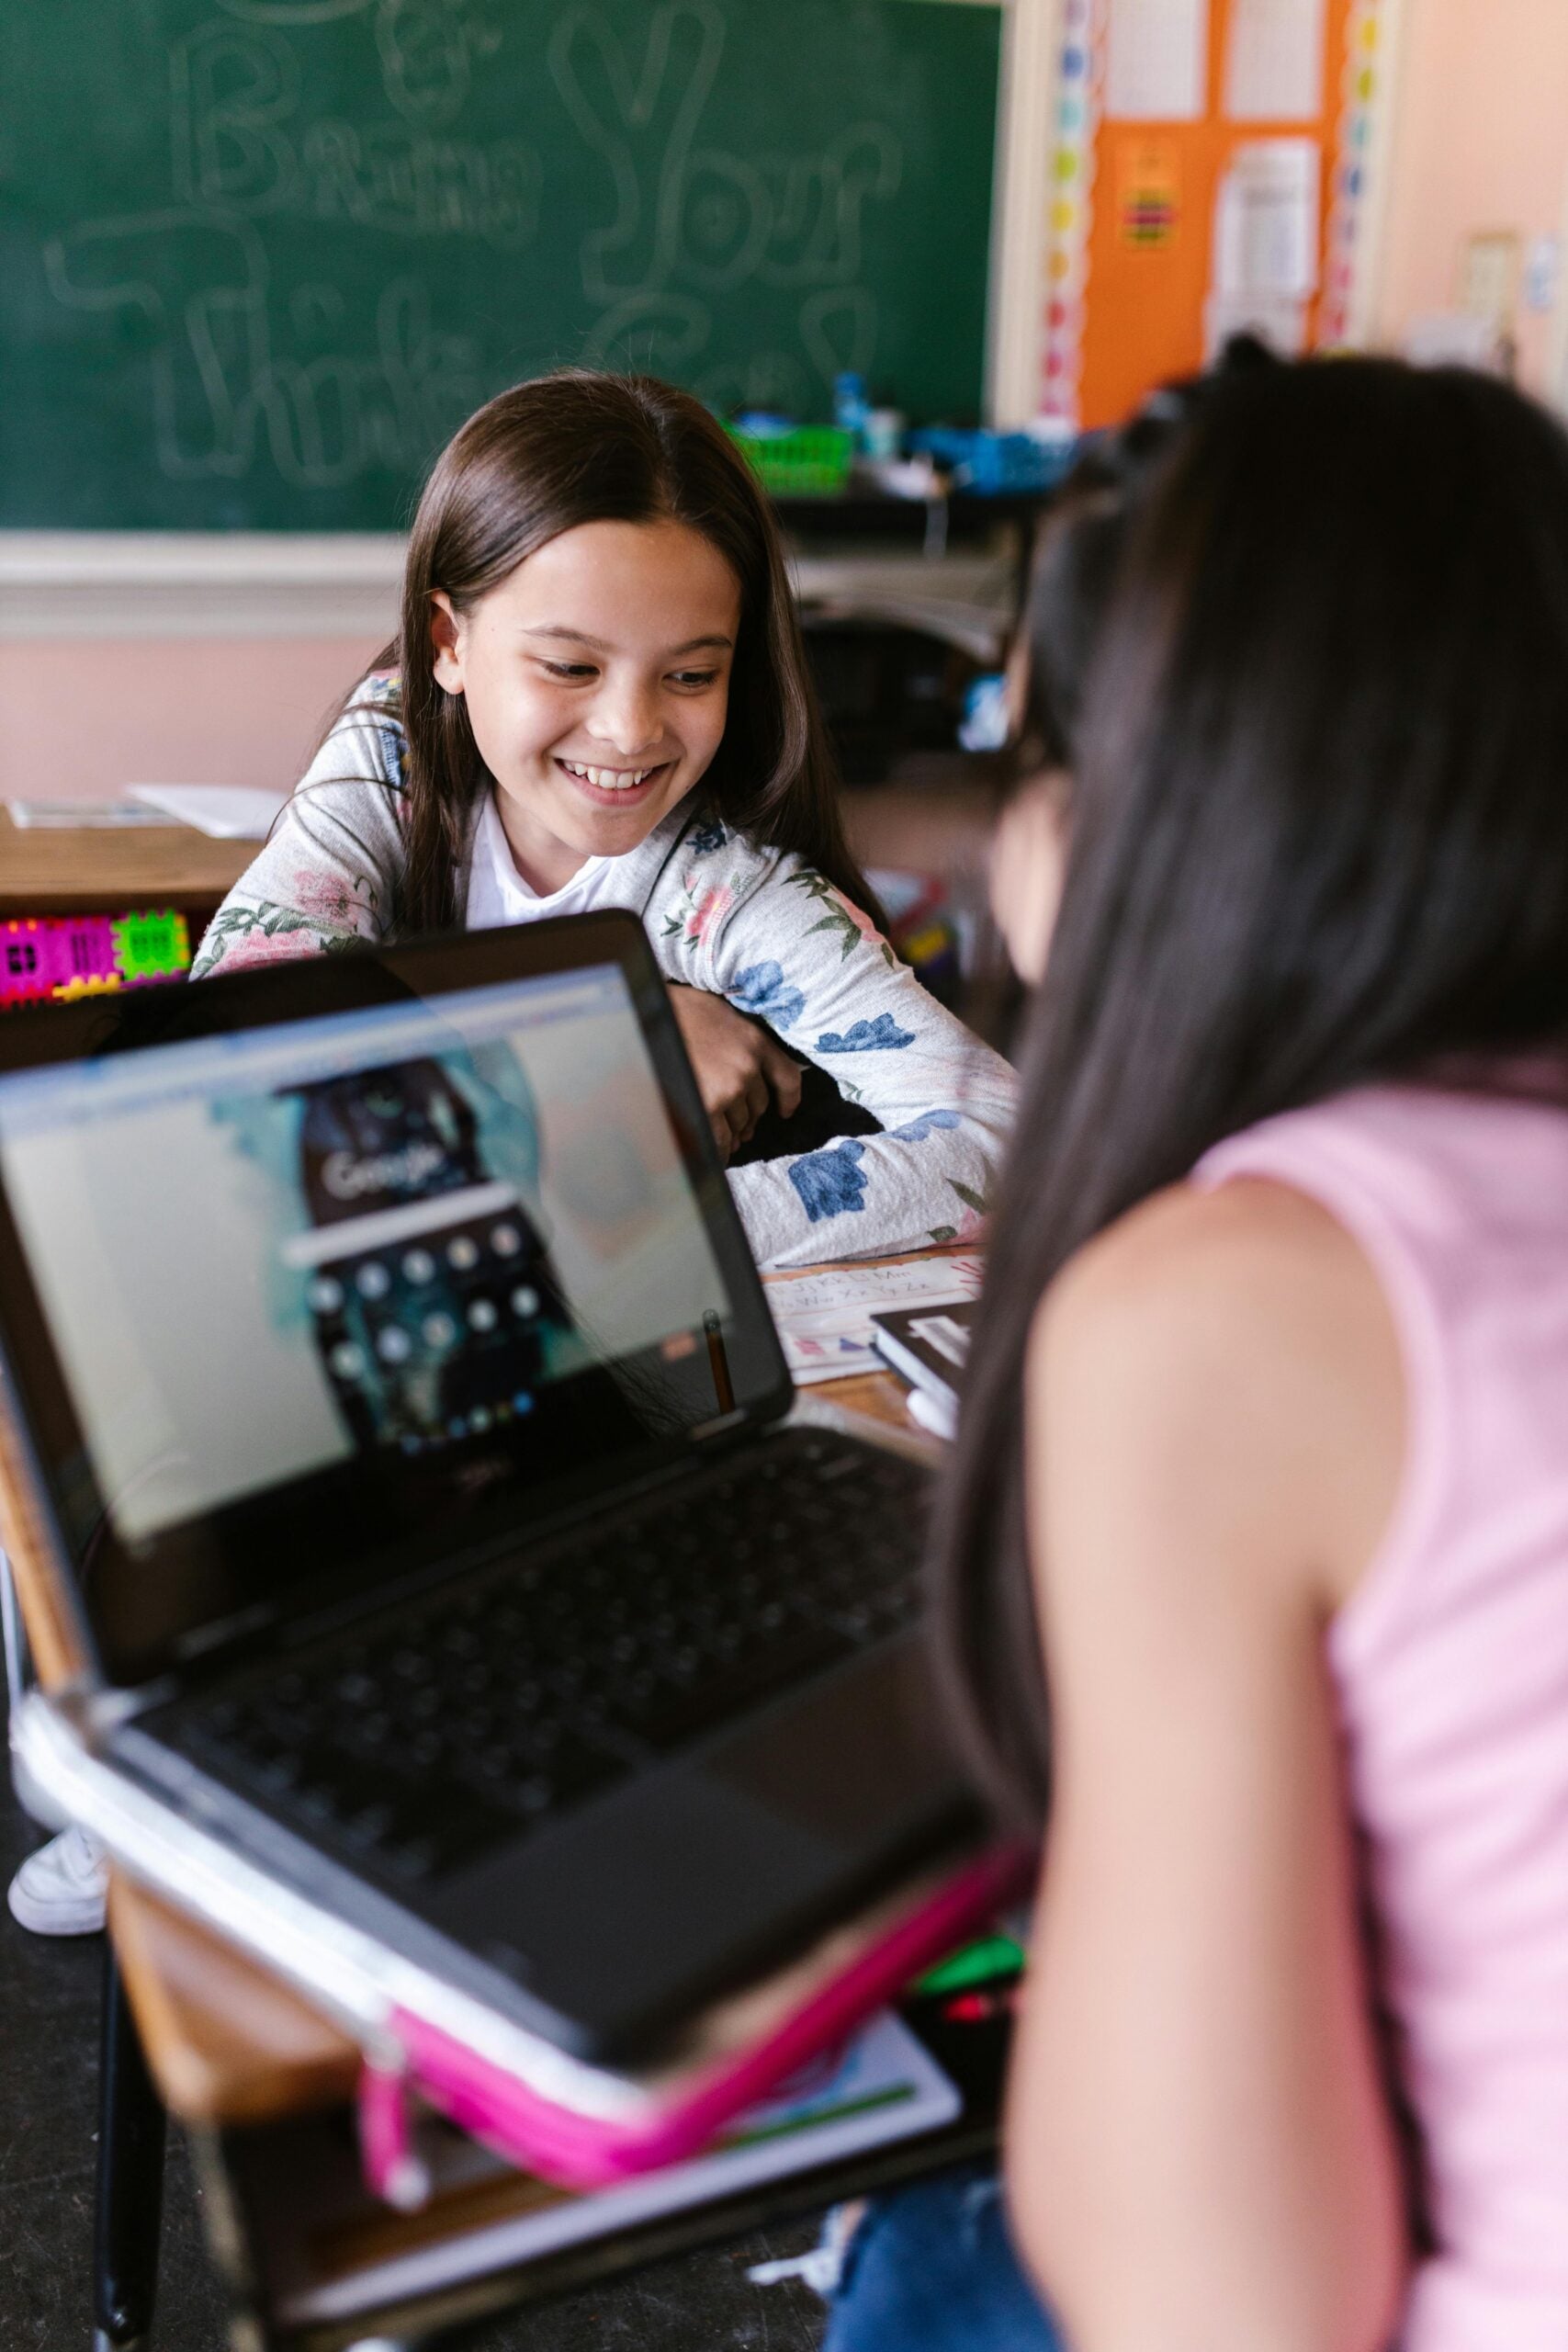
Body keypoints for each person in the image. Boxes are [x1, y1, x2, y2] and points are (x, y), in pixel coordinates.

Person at [826, 353, 1568, 2352]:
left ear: (1125, 820)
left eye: (1018, 748)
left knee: (921, 2255)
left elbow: (1213, 2307)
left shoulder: (1226, 1311)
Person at [190, 369, 1016, 1272]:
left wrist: (641, 1227)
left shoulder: (724, 889)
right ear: (449, 644)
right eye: (571, 668)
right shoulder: (393, 759)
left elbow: (1003, 1137)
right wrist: (603, 1039)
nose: (631, 731)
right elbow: (228, 1047)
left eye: (692, 676)